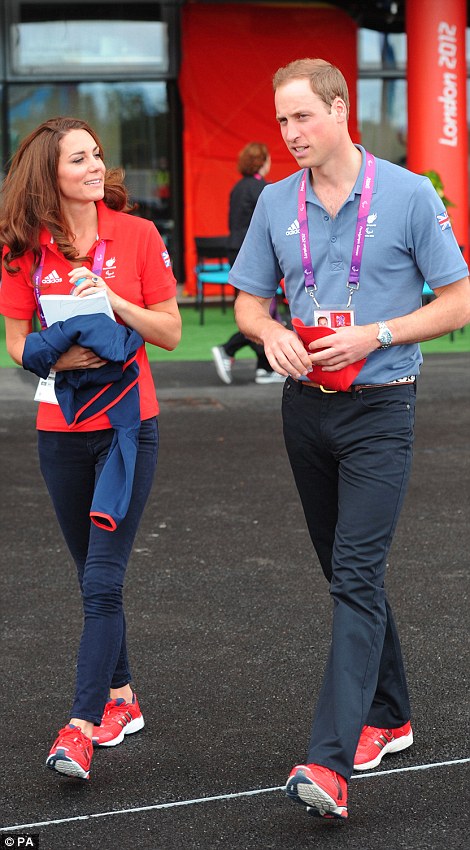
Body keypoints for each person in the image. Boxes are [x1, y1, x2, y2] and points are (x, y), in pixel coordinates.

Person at [230, 58, 470, 819]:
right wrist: (268, 332)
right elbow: (246, 303)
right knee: (347, 570)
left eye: (302, 117)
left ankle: (330, 763)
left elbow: (460, 300)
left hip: (380, 410)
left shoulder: (405, 194)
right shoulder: (274, 201)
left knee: (356, 575)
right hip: (304, 411)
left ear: (339, 111)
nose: (290, 133)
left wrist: (379, 332)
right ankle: (391, 714)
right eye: (281, 122)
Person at [0, 117, 181, 780]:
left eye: (98, 155)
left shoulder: (135, 235)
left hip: (129, 428)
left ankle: (78, 727)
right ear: (51, 175)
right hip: (58, 432)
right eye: (80, 158)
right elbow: (17, 342)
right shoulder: (23, 248)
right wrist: (59, 351)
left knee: (103, 579)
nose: (95, 166)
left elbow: (169, 328)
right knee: (91, 578)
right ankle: (122, 699)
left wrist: (113, 304)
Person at [211, 141, 285, 385]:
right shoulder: (263, 189)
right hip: (255, 255)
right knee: (262, 312)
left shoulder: (238, 187)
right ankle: (228, 349)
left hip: (236, 251)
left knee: (257, 309)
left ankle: (264, 367)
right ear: (262, 162)